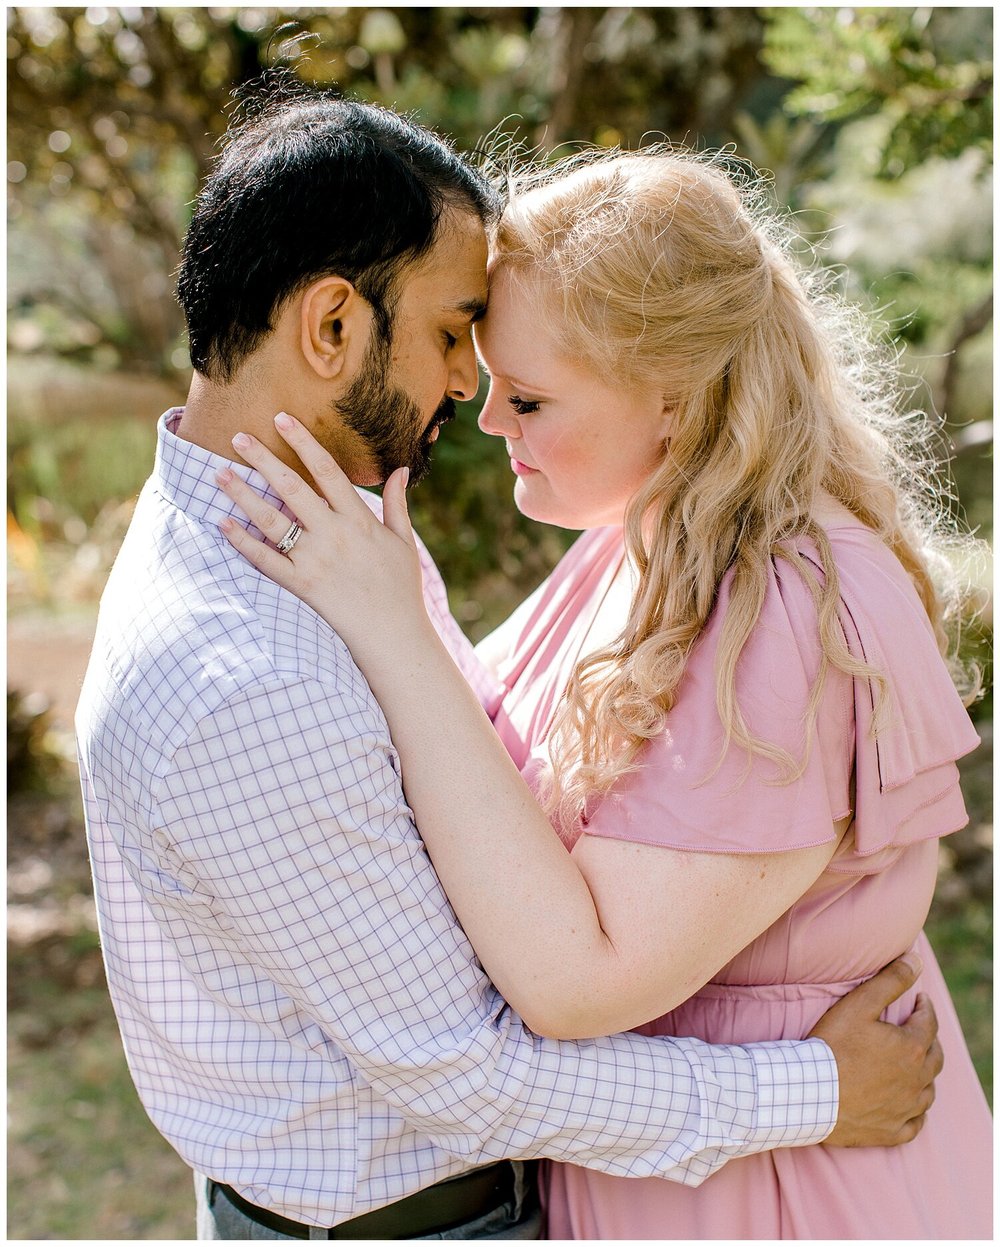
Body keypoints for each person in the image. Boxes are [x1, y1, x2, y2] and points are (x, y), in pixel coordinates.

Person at [76, 83, 942, 1242]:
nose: (470, 400)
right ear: (333, 328)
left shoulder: (317, 518)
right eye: (452, 337)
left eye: (519, 386)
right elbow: (470, 1069)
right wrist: (818, 1089)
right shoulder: (254, 665)